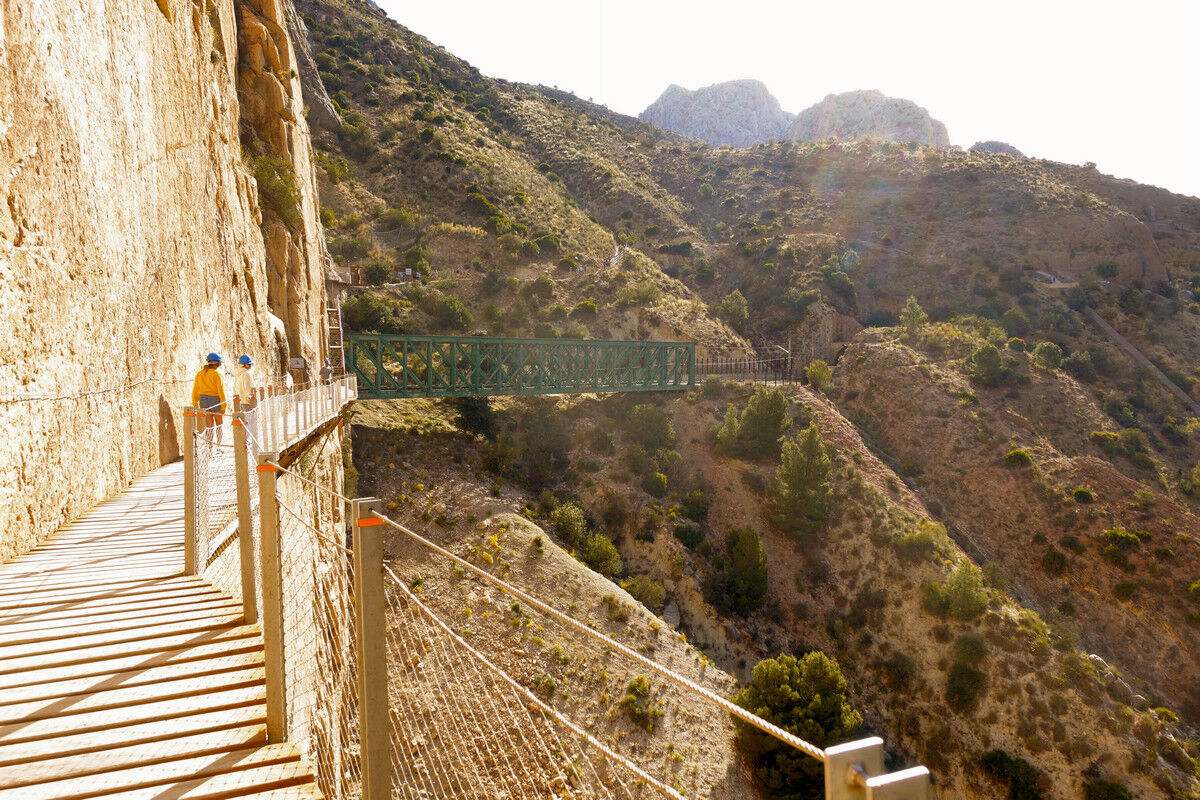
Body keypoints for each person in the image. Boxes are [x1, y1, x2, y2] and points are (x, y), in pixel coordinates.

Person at [192, 353, 226, 442]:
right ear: (217, 363)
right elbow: (221, 391)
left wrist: (195, 403)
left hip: (203, 400)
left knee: (209, 427)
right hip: (215, 400)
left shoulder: (199, 374)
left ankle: (210, 448)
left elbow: (195, 389)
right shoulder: (217, 374)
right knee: (219, 425)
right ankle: (219, 445)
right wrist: (223, 405)